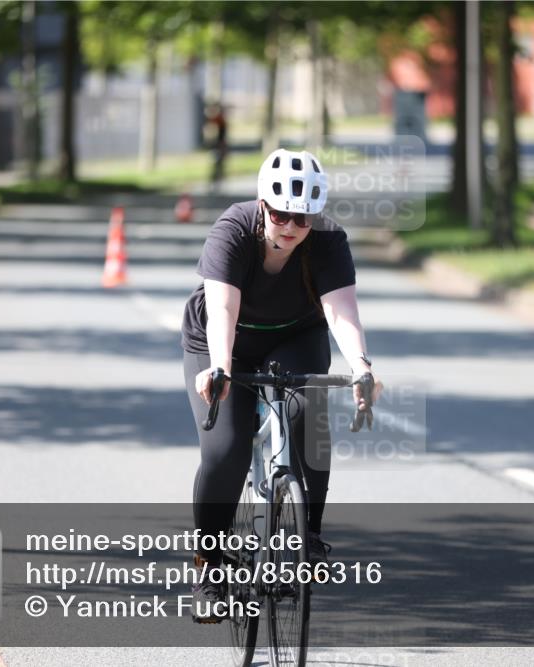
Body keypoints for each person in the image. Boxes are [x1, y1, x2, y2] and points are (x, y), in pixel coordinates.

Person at [180, 148, 382, 623]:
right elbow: (223, 309)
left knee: (305, 415)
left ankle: (308, 533)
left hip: (295, 335)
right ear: (261, 204)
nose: (291, 226)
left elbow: (340, 309)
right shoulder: (232, 230)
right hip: (221, 342)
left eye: (304, 217)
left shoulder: (328, 240)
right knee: (225, 449)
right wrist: (221, 368)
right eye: (281, 213)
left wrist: (361, 366)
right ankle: (208, 567)